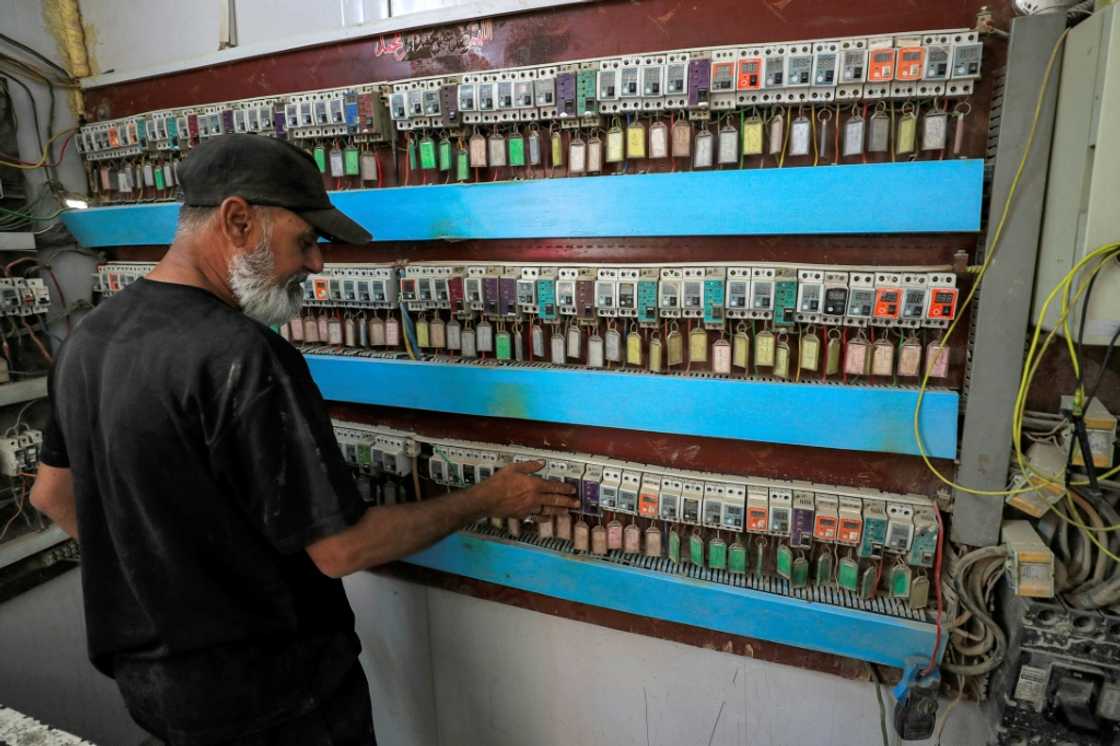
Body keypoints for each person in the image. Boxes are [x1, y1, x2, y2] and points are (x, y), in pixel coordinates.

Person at [29, 134, 578, 746]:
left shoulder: (88, 339)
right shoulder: (243, 356)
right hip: (273, 698)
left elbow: (52, 495)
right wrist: (490, 499)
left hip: (155, 688)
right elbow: (341, 551)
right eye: (305, 241)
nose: (316, 265)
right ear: (238, 220)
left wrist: (162, 576)